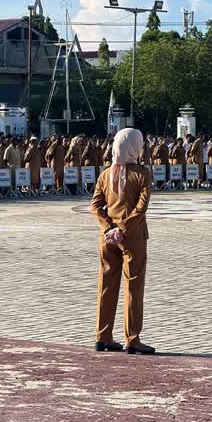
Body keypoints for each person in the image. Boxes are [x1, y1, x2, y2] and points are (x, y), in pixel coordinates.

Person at [90, 128, 154, 355]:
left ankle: (103, 336)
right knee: (133, 287)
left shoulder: (105, 174)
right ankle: (133, 339)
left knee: (106, 287)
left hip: (107, 238)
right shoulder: (142, 173)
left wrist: (109, 228)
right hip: (132, 237)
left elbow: (95, 206)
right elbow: (141, 207)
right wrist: (123, 229)